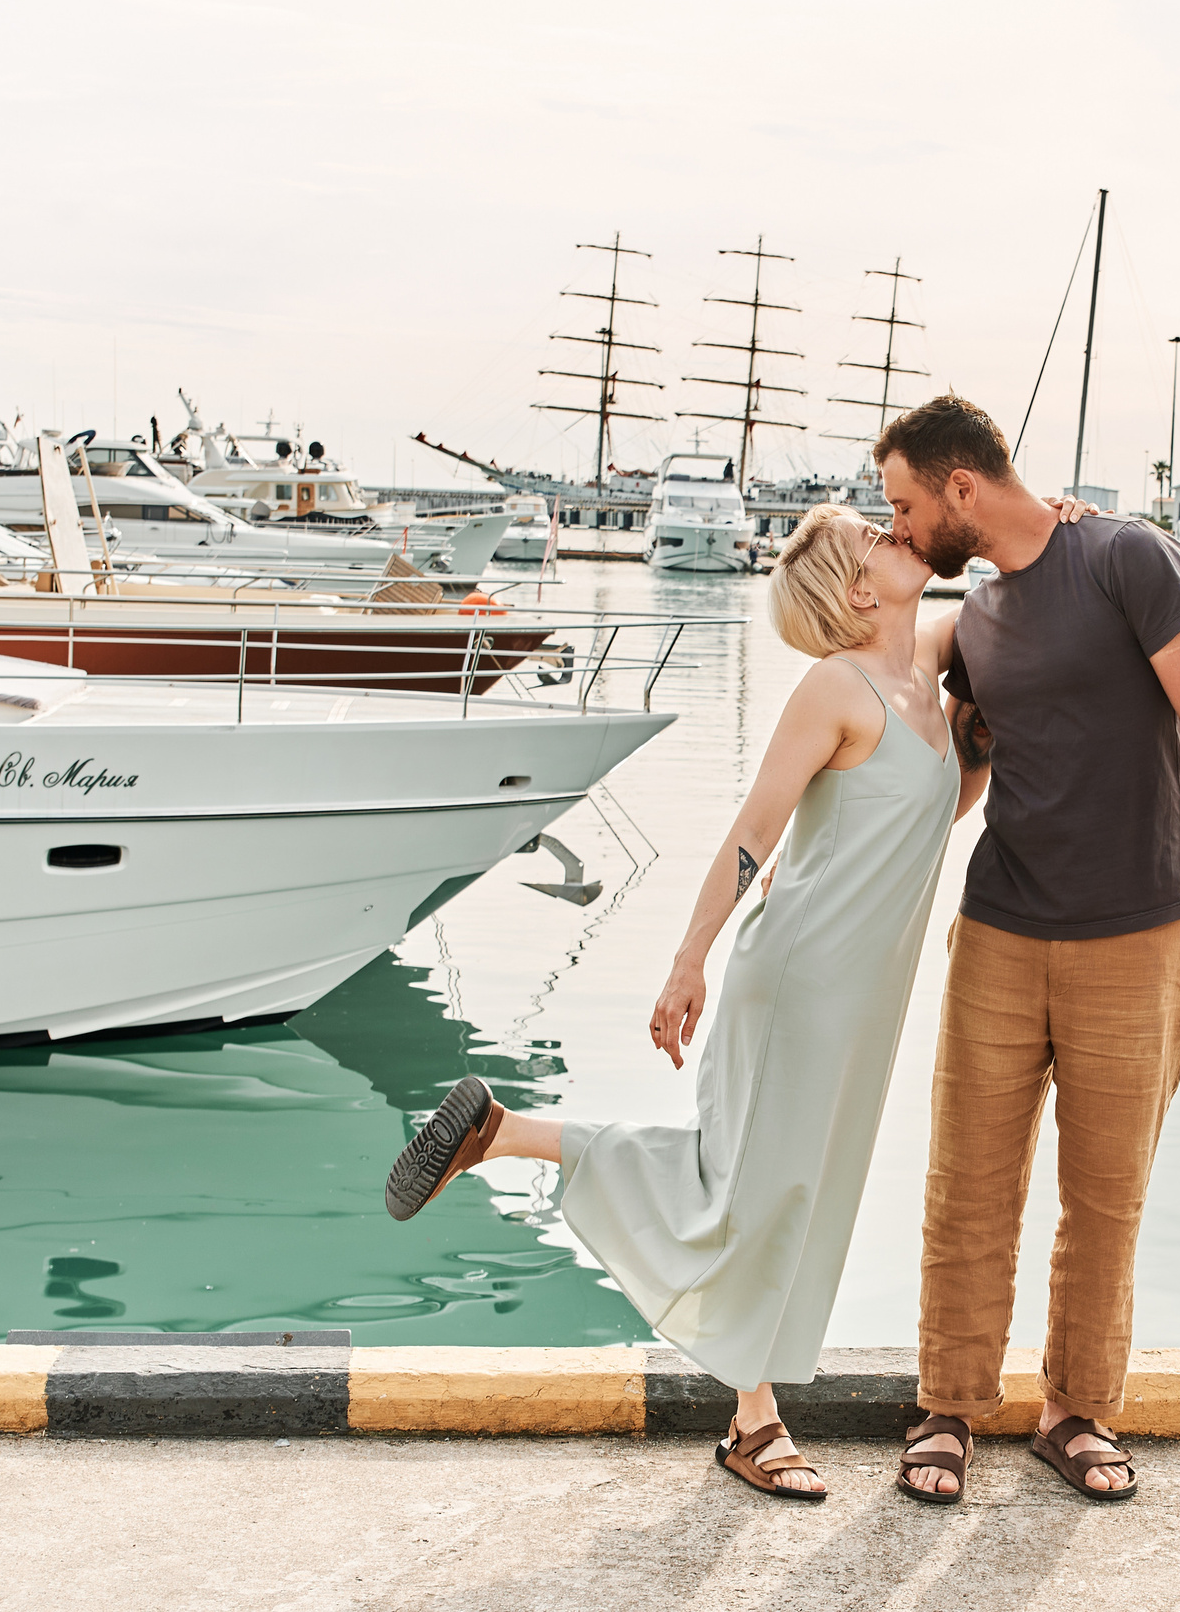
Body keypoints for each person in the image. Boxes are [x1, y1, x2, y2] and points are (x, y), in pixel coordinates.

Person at [381, 497, 1086, 1499]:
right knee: (751, 1188)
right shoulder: (834, 689)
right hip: (795, 980)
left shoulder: (927, 662)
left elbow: (981, 667)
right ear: (853, 586)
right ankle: (751, 1419)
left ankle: (501, 1132)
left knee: (786, 1188)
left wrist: (1051, 523)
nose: (896, 536)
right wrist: (688, 958)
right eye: (874, 538)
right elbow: (753, 832)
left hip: (866, 991)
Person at [876, 394, 1180, 1505]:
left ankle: (1075, 1409)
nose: (899, 524)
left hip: (1135, 932)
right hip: (997, 928)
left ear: (960, 486)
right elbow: (954, 774)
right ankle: (947, 1404)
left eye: (904, 501)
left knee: (1104, 1195)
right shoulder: (979, 617)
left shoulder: (1130, 560)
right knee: (967, 1185)